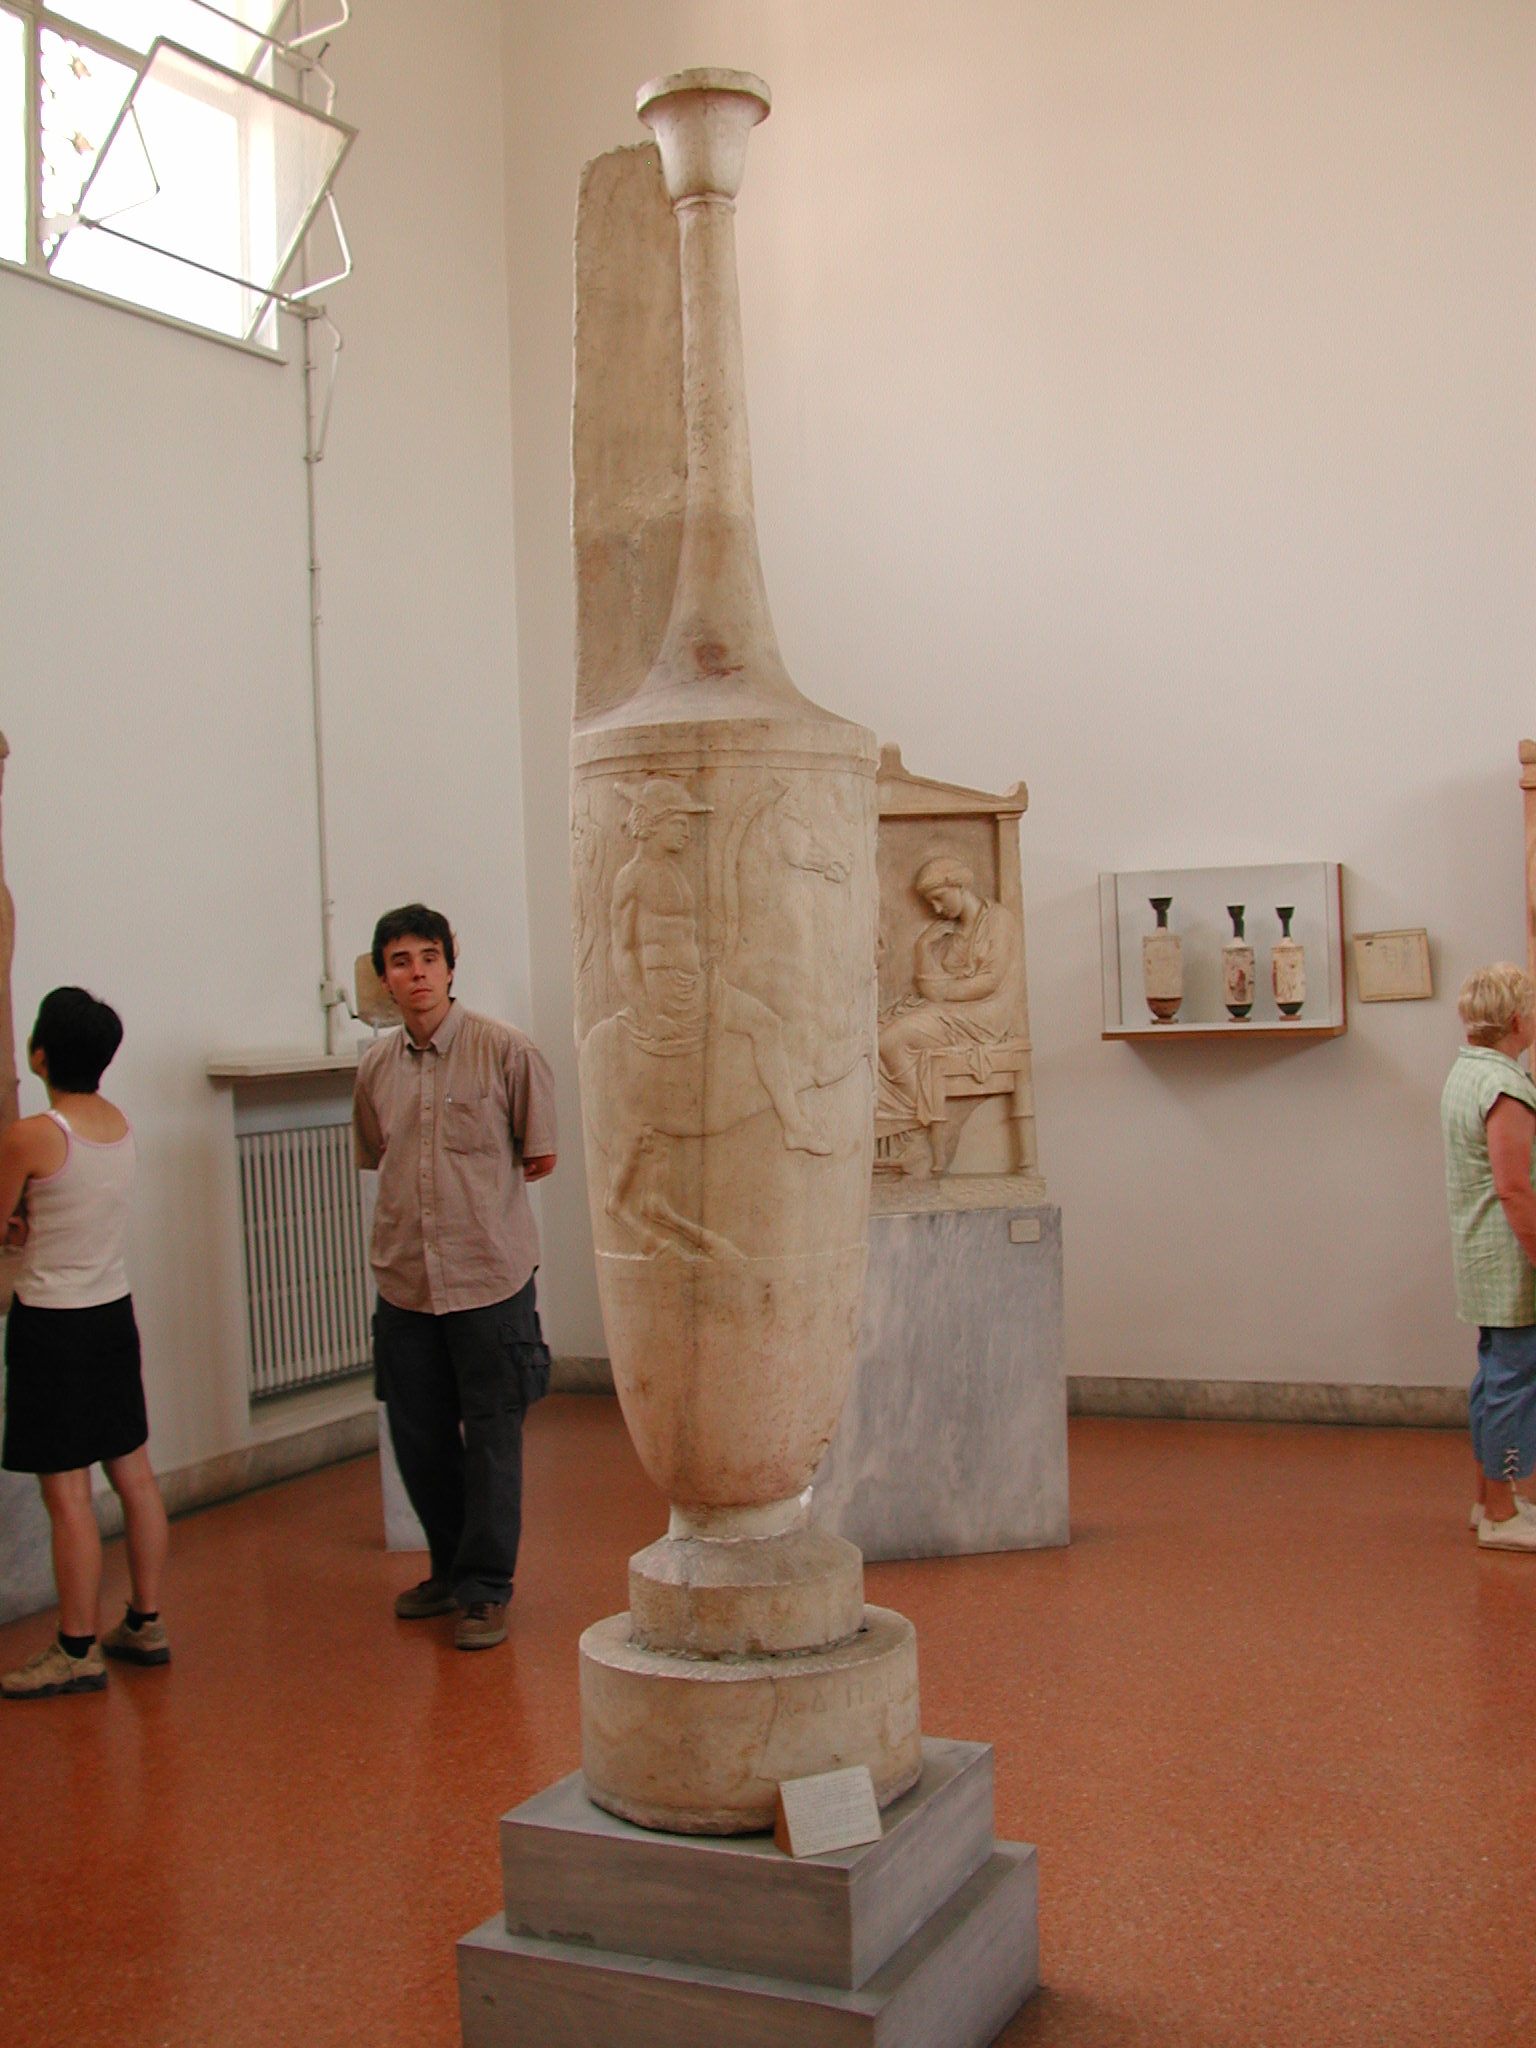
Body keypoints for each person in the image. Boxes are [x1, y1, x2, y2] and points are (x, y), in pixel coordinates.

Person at [354, 905, 557, 1649]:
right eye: (400, 961)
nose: (417, 973)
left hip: (488, 1278)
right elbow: (378, 1152)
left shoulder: (507, 1050)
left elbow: (540, 1155)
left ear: (450, 963)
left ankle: (485, 1588)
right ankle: (448, 1569)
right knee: (420, 1436)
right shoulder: (375, 1068)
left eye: (428, 958)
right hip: (406, 1280)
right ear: (385, 976)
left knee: (495, 1434)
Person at [0, 987, 170, 1698]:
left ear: (40, 1054)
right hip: (110, 1314)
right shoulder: (119, 1125)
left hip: (53, 1324)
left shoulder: (31, 1135)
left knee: (68, 1493)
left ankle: (75, 1650)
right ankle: (144, 1622)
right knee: (134, 1476)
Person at [1441, 963, 1536, 1551]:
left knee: (1496, 1376)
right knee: (1515, 1382)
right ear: (1517, 1019)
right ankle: (1502, 1514)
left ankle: (1488, 1500)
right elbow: (1514, 1188)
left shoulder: (1467, 1071)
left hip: (1482, 1253)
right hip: (1510, 1259)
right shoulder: (1506, 1085)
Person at [877, 853, 1027, 1171]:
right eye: (930, 902)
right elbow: (930, 985)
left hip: (984, 1016)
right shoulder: (954, 931)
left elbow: (989, 981)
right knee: (877, 1032)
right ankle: (903, 1133)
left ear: (958, 885)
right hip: (954, 1009)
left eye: (939, 898)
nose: (936, 908)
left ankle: (927, 1126)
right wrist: (923, 947)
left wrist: (942, 992)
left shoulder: (999, 921)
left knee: (890, 1041)